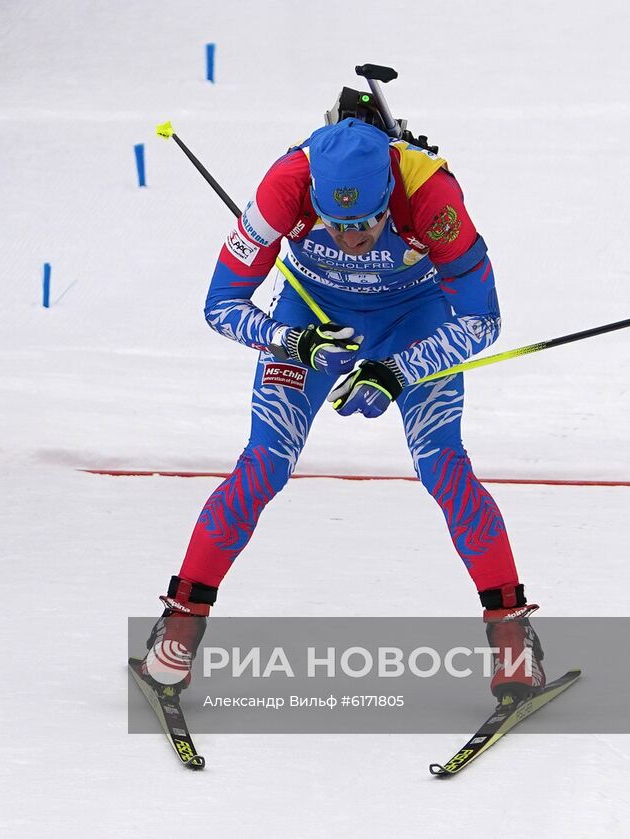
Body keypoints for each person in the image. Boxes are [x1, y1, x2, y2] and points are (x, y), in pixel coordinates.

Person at [135, 116, 545, 702]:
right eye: (339, 224)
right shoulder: (283, 186)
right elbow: (220, 304)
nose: (355, 239)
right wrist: (291, 340)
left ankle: (511, 637)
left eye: (370, 222)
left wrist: (397, 370)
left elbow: (482, 320)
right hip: (312, 313)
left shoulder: (429, 193)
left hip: (416, 319)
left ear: (389, 198)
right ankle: (179, 627)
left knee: (444, 466)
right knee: (263, 463)